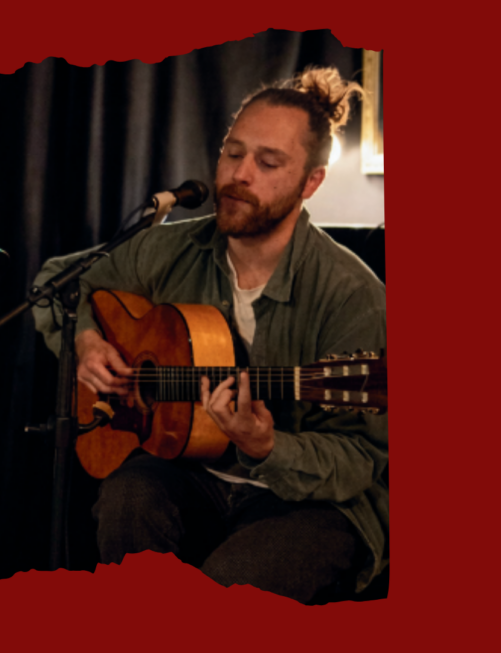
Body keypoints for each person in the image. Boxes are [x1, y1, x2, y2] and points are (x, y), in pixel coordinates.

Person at [32, 67, 387, 604]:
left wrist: (266, 445)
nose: (239, 174)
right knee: (127, 500)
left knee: (229, 587)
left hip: (315, 501)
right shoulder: (170, 247)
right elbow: (58, 283)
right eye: (232, 152)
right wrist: (85, 339)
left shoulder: (353, 296)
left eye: (268, 163)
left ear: (310, 182)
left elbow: (360, 458)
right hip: (192, 468)